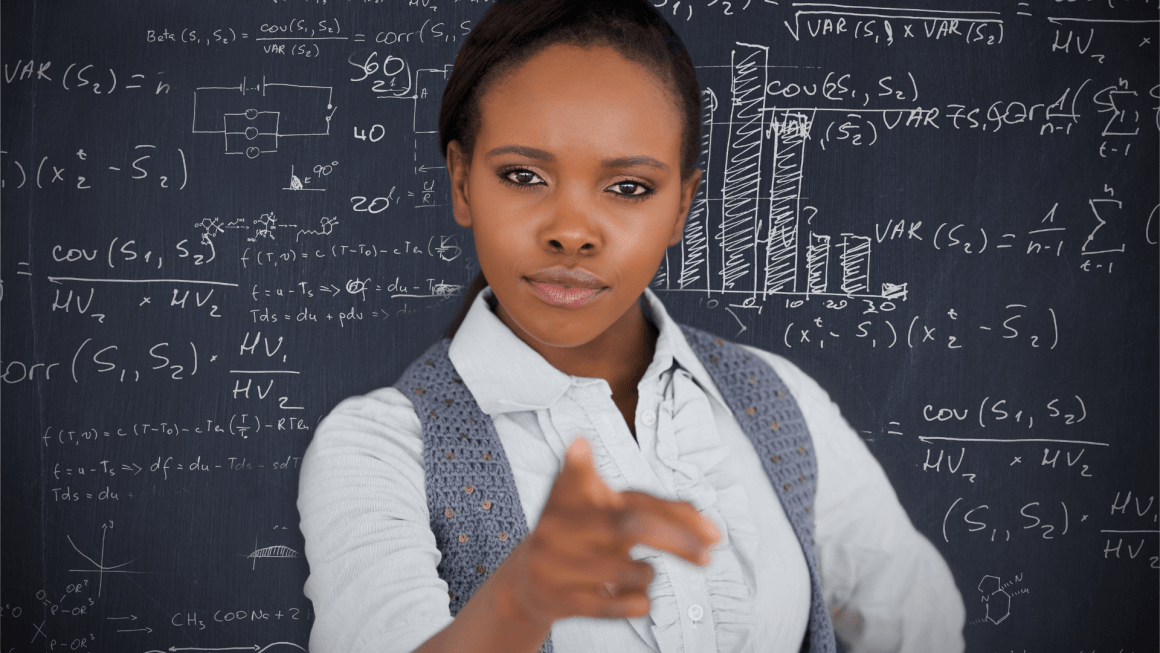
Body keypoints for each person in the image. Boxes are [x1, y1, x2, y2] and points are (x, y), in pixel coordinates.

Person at [297, 1, 966, 652]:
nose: (571, 232)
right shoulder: (379, 451)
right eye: (523, 175)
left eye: (629, 188)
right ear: (463, 181)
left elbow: (919, 623)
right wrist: (519, 601)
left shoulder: (778, 402)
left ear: (681, 207)